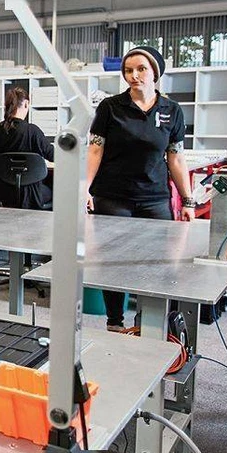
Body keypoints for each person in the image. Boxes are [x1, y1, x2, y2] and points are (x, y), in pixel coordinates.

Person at [87, 45, 195, 331]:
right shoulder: (110, 107)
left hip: (154, 198)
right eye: (128, 70)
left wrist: (188, 200)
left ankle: (149, 321)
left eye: (141, 69)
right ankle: (114, 322)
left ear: (155, 73)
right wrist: (84, 189)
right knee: (114, 262)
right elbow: (95, 150)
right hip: (113, 196)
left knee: (159, 262)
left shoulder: (171, 111)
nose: (133, 75)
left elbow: (176, 157)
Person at [0, 87, 54, 208]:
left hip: (3, 194)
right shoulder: (32, 131)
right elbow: (53, 156)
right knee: (54, 185)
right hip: (31, 194)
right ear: (26, 104)